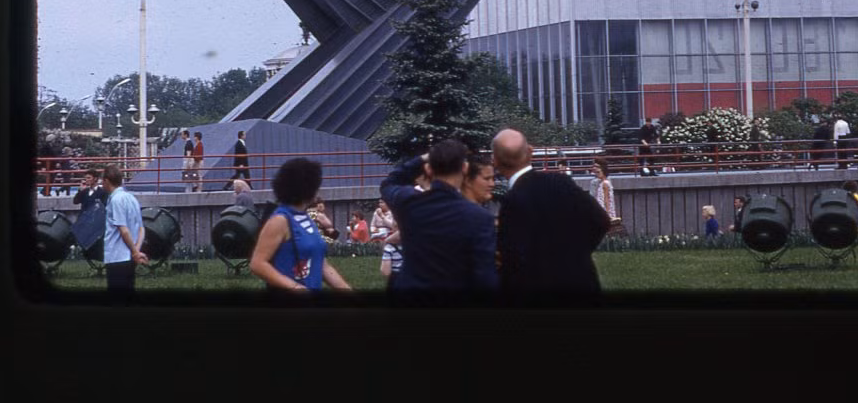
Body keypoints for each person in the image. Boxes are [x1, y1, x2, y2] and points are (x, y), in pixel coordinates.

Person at [492, 127, 612, 299]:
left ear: (495, 161)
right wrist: (576, 254)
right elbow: (602, 221)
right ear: (530, 152)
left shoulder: (511, 202)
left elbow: (513, 260)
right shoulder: (561, 182)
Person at [380, 138, 499, 295]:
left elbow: (390, 183)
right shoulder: (479, 217)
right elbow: (485, 276)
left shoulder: (410, 203)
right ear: (465, 168)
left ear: (428, 169)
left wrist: (422, 159)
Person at [248, 157, 353, 294]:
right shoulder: (280, 220)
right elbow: (257, 264)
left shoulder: (305, 217)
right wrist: (294, 287)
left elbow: (322, 265)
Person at [101, 163, 148, 296]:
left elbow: (124, 230)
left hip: (117, 256)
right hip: (129, 257)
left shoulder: (116, 200)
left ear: (106, 181)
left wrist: (134, 252)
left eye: (102, 181)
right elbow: (141, 229)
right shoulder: (131, 198)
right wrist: (136, 251)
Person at [591, 157, 618, 225]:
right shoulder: (600, 182)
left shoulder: (605, 183)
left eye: (599, 172)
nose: (597, 174)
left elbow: (606, 200)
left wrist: (607, 215)